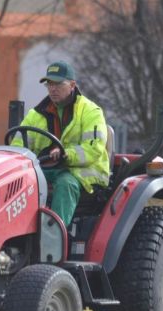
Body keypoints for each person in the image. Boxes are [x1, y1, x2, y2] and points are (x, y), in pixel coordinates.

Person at [13, 61, 110, 226]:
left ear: (72, 85)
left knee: (66, 184)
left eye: (58, 84)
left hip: (80, 174)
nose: (52, 88)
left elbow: (94, 149)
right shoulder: (35, 115)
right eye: (49, 84)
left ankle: (54, 240)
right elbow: (18, 146)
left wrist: (66, 154)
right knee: (18, 181)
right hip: (47, 169)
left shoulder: (91, 112)